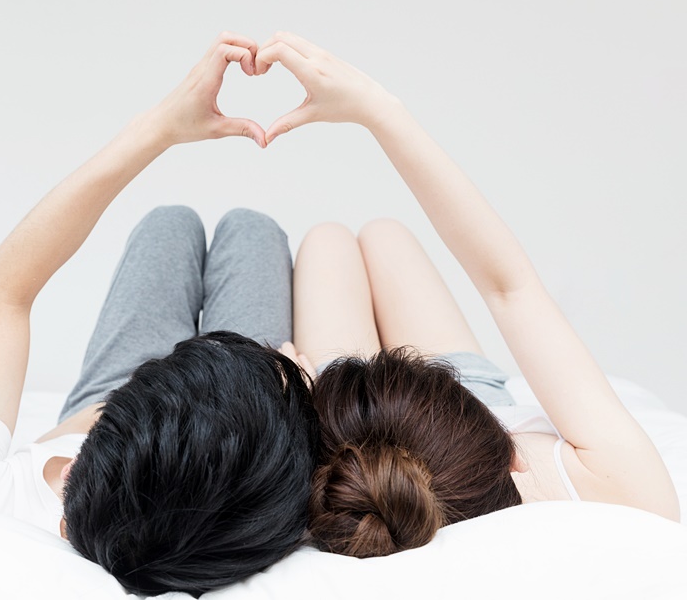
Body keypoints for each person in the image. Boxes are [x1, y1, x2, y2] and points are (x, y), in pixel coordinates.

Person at [0, 32, 319, 597]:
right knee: (253, 230)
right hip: (237, 434)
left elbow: (3, 290)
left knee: (168, 225)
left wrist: (159, 128)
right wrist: (298, 399)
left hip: (124, 415)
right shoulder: (217, 528)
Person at [255, 31, 681, 558]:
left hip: (381, 426)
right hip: (401, 433)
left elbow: (511, 287)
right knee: (384, 235)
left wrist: (381, 111)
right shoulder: (626, 494)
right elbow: (509, 289)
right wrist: (379, 112)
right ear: (514, 461)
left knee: (329, 240)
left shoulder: (627, 490)